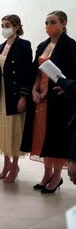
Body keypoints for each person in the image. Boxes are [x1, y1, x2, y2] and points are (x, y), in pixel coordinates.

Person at [21, 10, 76, 193]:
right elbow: (37, 70)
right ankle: (46, 174)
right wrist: (35, 89)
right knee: (42, 135)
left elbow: (71, 74)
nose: (48, 26)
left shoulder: (70, 45)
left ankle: (57, 176)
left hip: (58, 97)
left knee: (56, 136)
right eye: (46, 22)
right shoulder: (43, 45)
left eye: (52, 22)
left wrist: (46, 91)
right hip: (40, 98)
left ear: (63, 23)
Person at [0, 14, 33, 183]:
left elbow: (27, 73)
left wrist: (23, 96)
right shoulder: (1, 46)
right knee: (4, 130)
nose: (4, 28)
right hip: (2, 95)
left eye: (7, 25)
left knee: (15, 131)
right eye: (2, 25)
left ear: (16, 27)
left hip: (15, 95)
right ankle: (6, 164)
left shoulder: (24, 45)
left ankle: (15, 166)